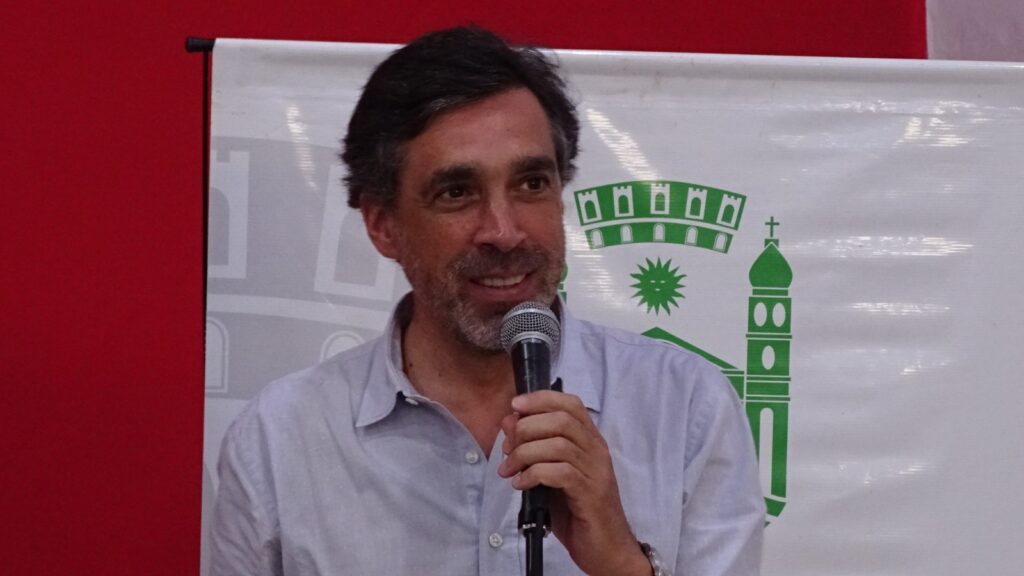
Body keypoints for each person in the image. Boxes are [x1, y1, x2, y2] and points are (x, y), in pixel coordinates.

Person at [211, 26, 764, 576]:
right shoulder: (278, 442)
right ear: (383, 226)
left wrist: (621, 561)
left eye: (531, 184)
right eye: (457, 192)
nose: (503, 232)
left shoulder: (685, 407)